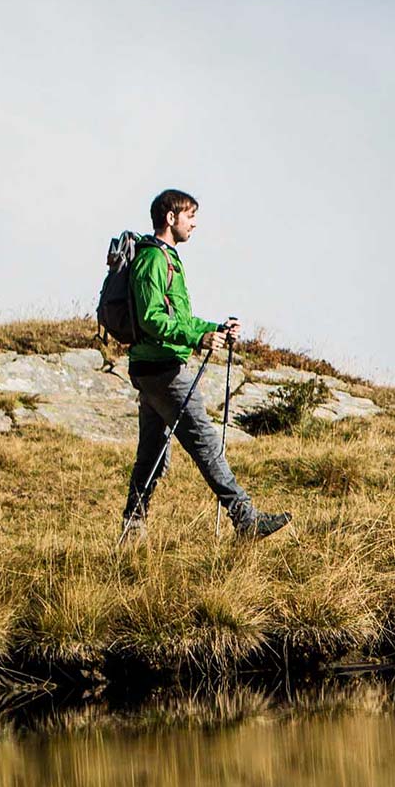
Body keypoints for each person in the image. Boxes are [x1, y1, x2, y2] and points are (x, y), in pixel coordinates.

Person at [118, 188, 291, 544]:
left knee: (151, 456)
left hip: (150, 370)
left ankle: (132, 531)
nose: (194, 223)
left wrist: (213, 330)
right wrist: (197, 339)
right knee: (206, 446)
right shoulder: (154, 260)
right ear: (171, 218)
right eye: (190, 216)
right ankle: (245, 519)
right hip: (166, 372)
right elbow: (152, 319)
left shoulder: (164, 258)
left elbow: (178, 317)